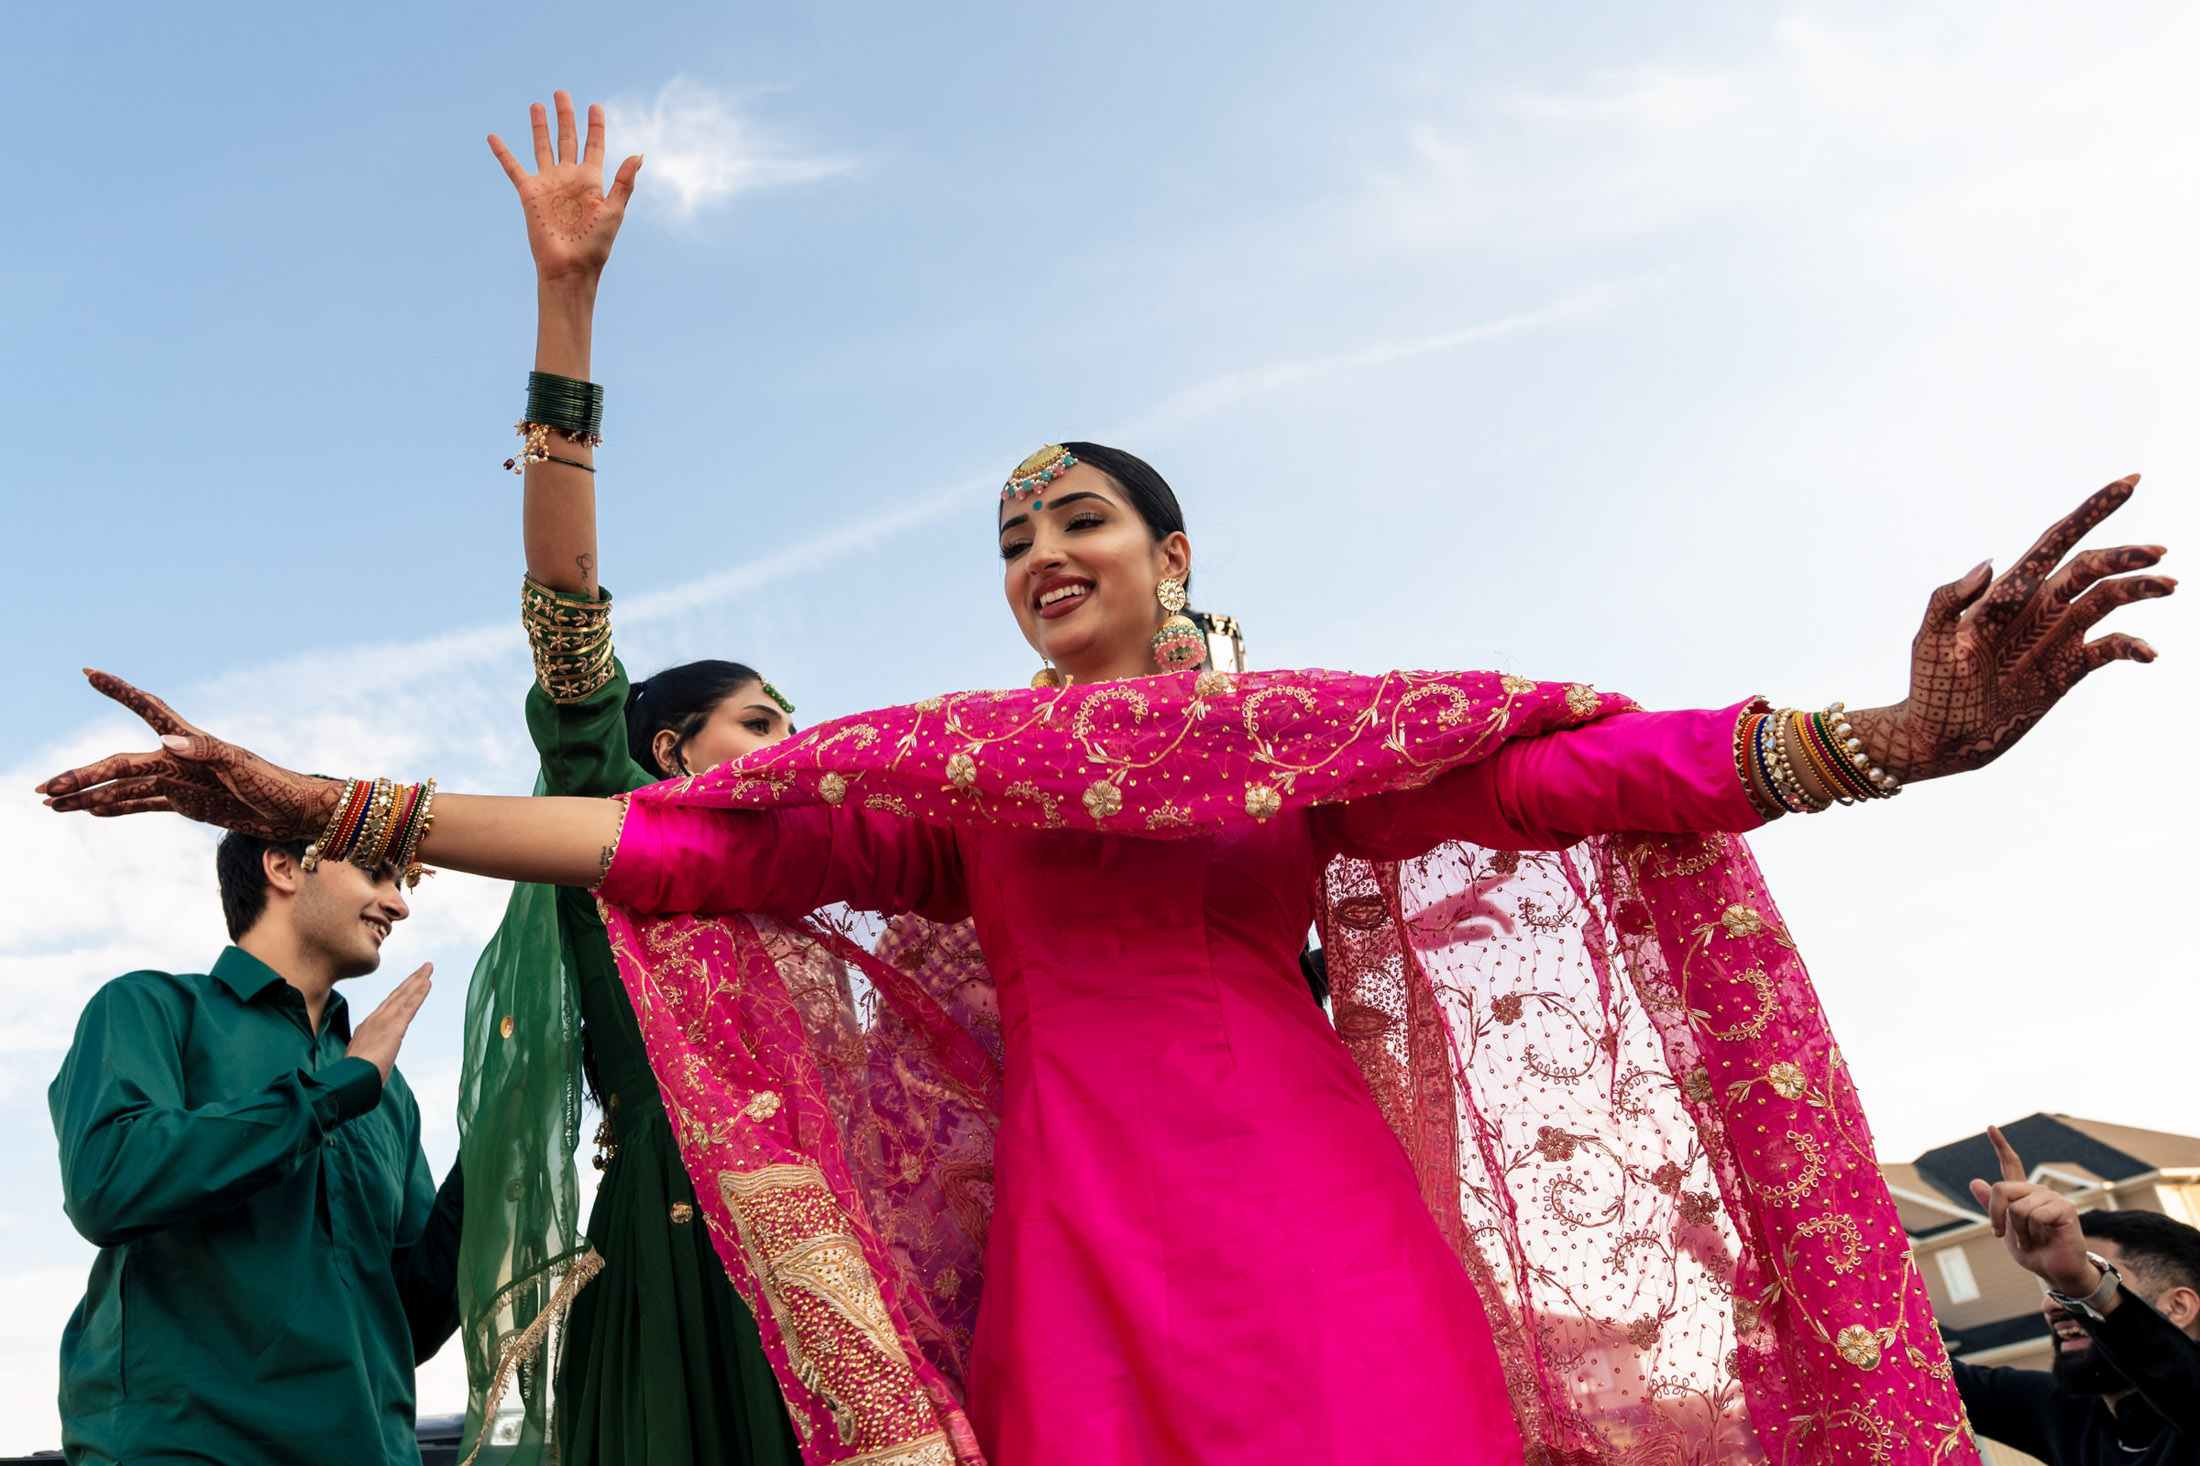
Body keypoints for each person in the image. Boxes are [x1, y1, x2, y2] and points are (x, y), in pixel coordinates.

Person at [31, 109, 2175, 1461]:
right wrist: (323, 791)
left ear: (1171, 558)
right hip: (1069, 1234)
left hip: (1302, 1199)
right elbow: (650, 841)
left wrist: (1894, 741)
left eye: (1078, 517)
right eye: (1006, 536)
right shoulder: (959, 786)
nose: (1038, 551)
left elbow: (1580, 780)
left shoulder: (1305, 750)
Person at [453, 94, 801, 1466]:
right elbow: (566, 594)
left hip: (837, 1262)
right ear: (668, 752)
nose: (789, 745)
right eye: (760, 721)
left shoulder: (830, 895)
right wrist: (566, 309)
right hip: (673, 1269)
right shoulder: (618, 831)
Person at [49, 830, 464, 1466]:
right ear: (284, 867)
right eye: (378, 873)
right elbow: (107, 1182)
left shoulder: (386, 1089)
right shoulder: (150, 1007)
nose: (399, 904)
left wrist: (488, 1160)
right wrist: (332, 1094)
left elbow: (404, 1320)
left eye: (403, 884)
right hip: (188, 1448)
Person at [1956, 1125, 2200, 1463]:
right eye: (2053, 1283)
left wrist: (2088, 1290)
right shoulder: (2062, 1414)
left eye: (2097, 1273)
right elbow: (1907, 1366)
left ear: (2179, 1306)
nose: (2052, 1301)